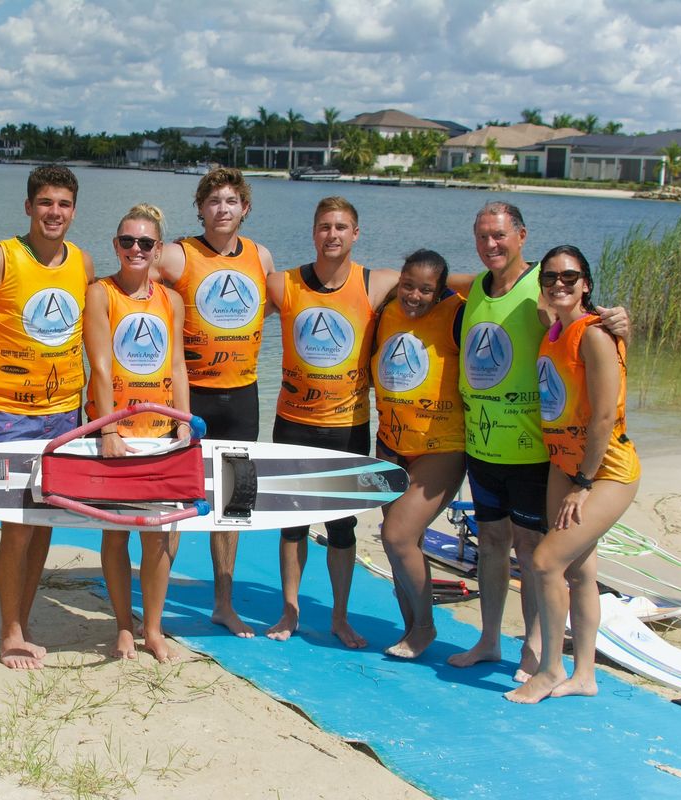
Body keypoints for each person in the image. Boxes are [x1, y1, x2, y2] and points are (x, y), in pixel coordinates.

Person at [447, 201, 629, 681]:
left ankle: (532, 648)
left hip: (534, 452)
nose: (491, 245)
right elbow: (424, 280)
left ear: (521, 236)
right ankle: (488, 639)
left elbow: (589, 329)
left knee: (531, 551)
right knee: (489, 542)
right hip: (483, 444)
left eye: (500, 236)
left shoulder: (543, 290)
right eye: (482, 235)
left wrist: (622, 322)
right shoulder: (471, 289)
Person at [506, 245, 640, 704]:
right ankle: (585, 674)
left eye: (569, 277)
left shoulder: (594, 335)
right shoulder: (555, 330)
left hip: (605, 472)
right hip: (564, 464)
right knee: (581, 572)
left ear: (586, 284)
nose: (558, 284)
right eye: (550, 278)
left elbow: (603, 417)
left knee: (544, 562)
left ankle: (549, 670)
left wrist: (582, 486)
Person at [264, 196, 400, 646]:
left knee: (342, 524)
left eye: (341, 227)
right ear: (314, 232)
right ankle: (290, 611)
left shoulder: (374, 283)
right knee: (293, 522)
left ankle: (339, 617)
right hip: (293, 422)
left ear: (355, 234)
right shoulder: (283, 285)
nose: (332, 235)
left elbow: (439, 282)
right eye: (324, 227)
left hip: (348, 425)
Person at [0, 165, 94, 669]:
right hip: (8, 413)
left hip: (65, 412)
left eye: (64, 204)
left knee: (45, 521)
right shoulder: (0, 258)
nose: (54, 212)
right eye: (45, 202)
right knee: (17, 527)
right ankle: (9, 633)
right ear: (28, 207)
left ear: (73, 209)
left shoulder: (83, 263)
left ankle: (22, 622)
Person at [155, 167, 275, 638]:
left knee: (232, 505)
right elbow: (131, 282)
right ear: (200, 208)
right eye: (213, 201)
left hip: (243, 394)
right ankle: (159, 607)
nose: (222, 209)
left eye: (231, 201)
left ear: (244, 208)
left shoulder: (260, 256)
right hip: (190, 395)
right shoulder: (176, 255)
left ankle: (223, 603)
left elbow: (266, 304)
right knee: (175, 500)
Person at [84, 204, 190, 663]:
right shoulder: (99, 294)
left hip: (163, 433)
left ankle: (153, 627)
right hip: (117, 431)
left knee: (160, 535)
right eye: (127, 241)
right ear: (115, 245)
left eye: (145, 243)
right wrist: (107, 429)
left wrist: (186, 424)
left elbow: (179, 366)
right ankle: (124, 626)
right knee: (116, 531)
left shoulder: (173, 300)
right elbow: (101, 366)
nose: (135, 249)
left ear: (158, 249)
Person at [371, 250, 467, 658]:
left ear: (441, 289)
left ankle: (425, 628)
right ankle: (411, 626)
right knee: (401, 544)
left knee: (397, 535)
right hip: (391, 443)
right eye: (408, 285)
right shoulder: (387, 308)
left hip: (441, 447)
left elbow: (496, 287)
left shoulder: (458, 313)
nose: (414, 295)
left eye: (426, 289)